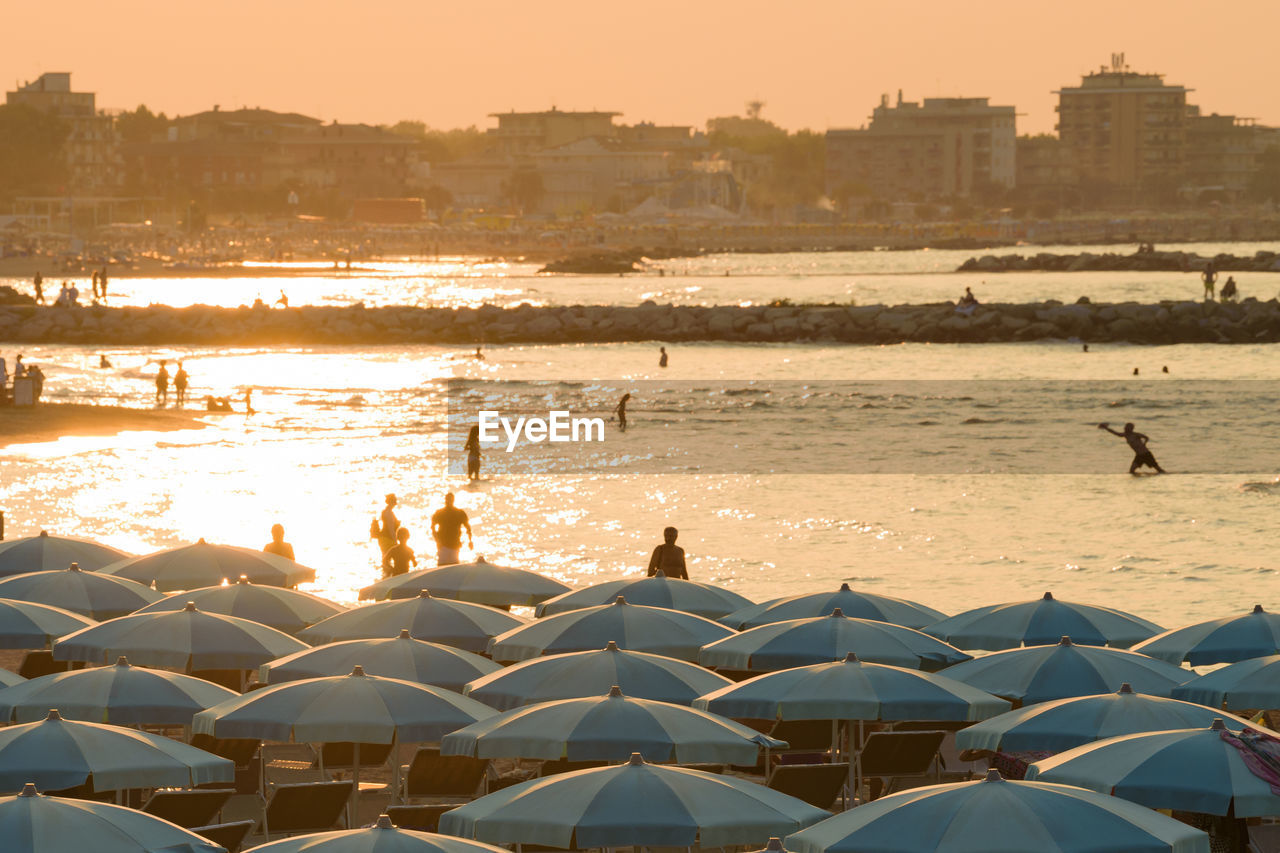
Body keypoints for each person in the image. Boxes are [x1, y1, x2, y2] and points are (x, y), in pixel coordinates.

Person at [1098, 422, 1165, 474]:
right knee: (1131, 471)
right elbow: (1116, 433)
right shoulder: (1125, 435)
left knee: (1159, 470)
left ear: (1131, 428)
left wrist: (1144, 444)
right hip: (1138, 455)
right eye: (1126, 427)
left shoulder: (1136, 434)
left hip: (1146, 454)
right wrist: (1106, 428)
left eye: (1128, 427)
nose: (1126, 428)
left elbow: (1146, 437)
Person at [431, 492, 472, 566]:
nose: (448, 501)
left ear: (453, 500)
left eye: (450, 500)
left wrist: (470, 541)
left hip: (454, 544)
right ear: (445, 500)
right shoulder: (440, 513)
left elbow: (468, 527)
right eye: (447, 500)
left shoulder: (459, 513)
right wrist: (437, 541)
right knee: (443, 567)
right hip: (443, 544)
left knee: (453, 566)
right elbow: (432, 527)